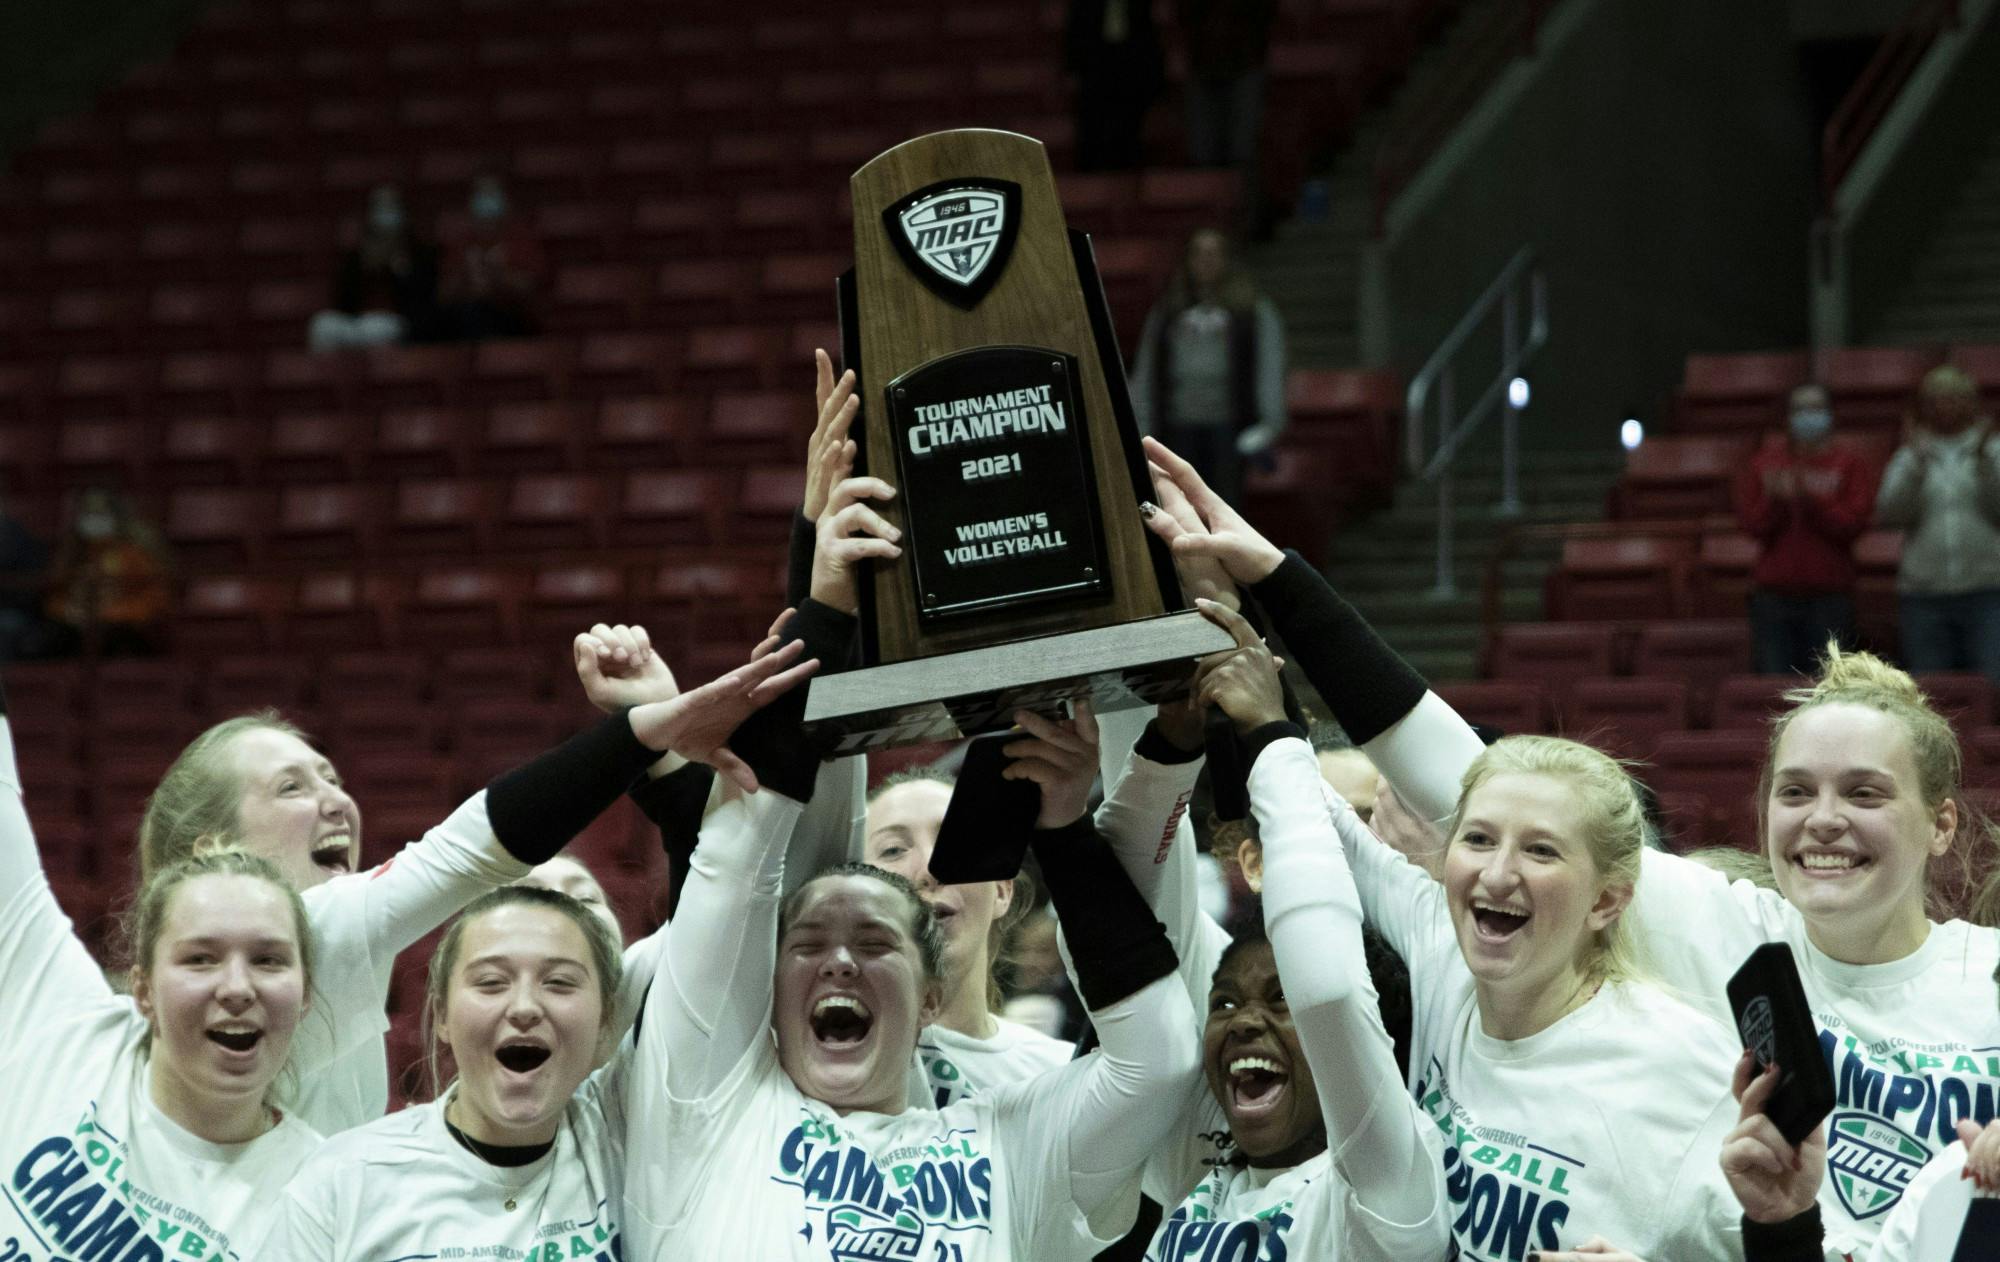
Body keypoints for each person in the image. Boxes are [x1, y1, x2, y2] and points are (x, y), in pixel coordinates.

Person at [1141, 433, 2000, 1260]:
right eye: (1795, 791)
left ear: (1944, 823)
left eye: (1865, 793)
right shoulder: (1731, 932)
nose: (1822, 820)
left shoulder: (1986, 977)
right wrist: (1273, 575)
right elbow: (1474, 778)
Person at [131, 636, 816, 1136]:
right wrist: (643, 735)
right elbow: (463, 855)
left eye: (333, 780)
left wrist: (653, 748)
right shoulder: (317, 927)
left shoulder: (333, 957)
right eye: (291, 788)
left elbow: (716, 921)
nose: (336, 803)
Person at [1132, 600, 1448, 1260]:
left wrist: (1271, 726)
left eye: (1282, 1001)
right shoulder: (1200, 1178)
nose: (1243, 1021)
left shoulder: (1386, 1180)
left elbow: (1329, 989)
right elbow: (1142, 909)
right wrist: (1165, 744)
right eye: (1225, 1005)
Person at [1, 671, 323, 1259]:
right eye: (200, 959)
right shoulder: (60, 1018)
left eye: (269, 959)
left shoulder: (326, 1198)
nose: (236, 987)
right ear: (143, 989)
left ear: (305, 994)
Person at [269, 886, 633, 1261]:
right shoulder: (342, 1180)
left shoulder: (630, 1151)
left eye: (558, 982)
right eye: (491, 982)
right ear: (442, 1015)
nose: (525, 1007)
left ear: (605, 1017)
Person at [1130, 230, 1286, 507]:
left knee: (1223, 510)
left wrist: (1268, 426)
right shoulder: (1167, 313)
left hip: (1230, 431)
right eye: (1199, 254)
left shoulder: (1253, 313)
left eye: (1214, 254)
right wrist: (1141, 430)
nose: (1206, 262)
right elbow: (1145, 374)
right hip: (1176, 428)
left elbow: (1271, 369)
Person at [1734, 383, 1876, 676]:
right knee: (1774, 689)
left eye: (1816, 408)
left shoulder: (1850, 464)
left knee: (1831, 687)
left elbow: (1853, 524)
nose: (1809, 416)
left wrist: (1811, 500)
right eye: (1801, 409)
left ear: (1830, 414)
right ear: (1787, 416)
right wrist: (1776, 503)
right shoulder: (1764, 464)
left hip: (1830, 596)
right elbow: (1752, 525)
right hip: (1773, 598)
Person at [1875, 364, 2000, 682]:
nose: (1946, 406)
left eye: (1954, 398)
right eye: (1937, 399)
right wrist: (1915, 466)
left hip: (1986, 590)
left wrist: (1986, 467)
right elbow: (1889, 514)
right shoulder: (1909, 454)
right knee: (1931, 695)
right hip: (1923, 596)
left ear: (1971, 403)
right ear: (1925, 407)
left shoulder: (1994, 450)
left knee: (1991, 690)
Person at [44, 485, 173, 656]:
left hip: (121, 628)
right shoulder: (70, 555)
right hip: (75, 630)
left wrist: (115, 613)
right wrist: (68, 611)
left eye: (100, 513)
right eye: (88, 513)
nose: (94, 519)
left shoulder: (133, 555)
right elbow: (53, 596)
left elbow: (156, 598)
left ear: (115, 516)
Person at [308, 184, 438, 351]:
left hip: (395, 321)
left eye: (391, 207)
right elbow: (342, 300)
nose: (385, 213)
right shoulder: (357, 256)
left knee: (376, 328)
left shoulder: (418, 253)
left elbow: (423, 302)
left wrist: (400, 270)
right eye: (380, 207)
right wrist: (364, 269)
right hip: (357, 321)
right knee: (322, 324)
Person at [434, 172, 545, 342]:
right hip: (466, 319)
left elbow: (529, 289)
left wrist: (495, 273)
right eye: (481, 193)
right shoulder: (461, 244)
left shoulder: (520, 240)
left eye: (491, 193)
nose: (486, 200)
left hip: (512, 319)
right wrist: (466, 276)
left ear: (506, 199)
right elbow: (444, 295)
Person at [1064, 0, 1163, 171]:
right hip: (1094, 71)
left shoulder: (1140, 5)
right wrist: (1071, 69)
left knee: (1128, 132)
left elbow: (1148, 37)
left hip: (1131, 73)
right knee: (1093, 131)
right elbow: (1075, 33)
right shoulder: (1084, 5)